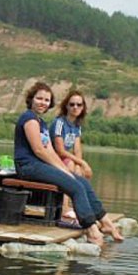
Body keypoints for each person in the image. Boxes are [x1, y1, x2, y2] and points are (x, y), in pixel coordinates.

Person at [13, 81, 123, 245]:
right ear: (31, 99)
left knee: (82, 182)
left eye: (46, 100)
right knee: (75, 187)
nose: (43, 103)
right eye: (39, 99)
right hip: (27, 166)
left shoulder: (42, 123)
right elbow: (39, 150)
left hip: (39, 166)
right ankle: (91, 228)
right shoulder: (28, 118)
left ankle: (105, 222)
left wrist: (64, 169)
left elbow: (49, 150)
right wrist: (62, 170)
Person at [51, 88, 92, 223]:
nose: (75, 107)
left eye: (79, 105)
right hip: (52, 158)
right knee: (70, 164)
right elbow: (60, 150)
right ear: (66, 106)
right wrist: (82, 163)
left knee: (77, 167)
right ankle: (64, 208)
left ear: (83, 107)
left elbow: (77, 150)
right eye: (72, 104)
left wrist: (81, 164)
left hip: (66, 159)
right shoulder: (60, 123)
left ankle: (79, 206)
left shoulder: (76, 126)